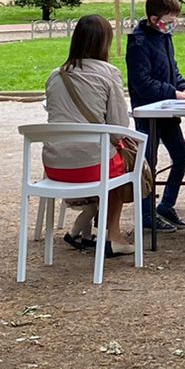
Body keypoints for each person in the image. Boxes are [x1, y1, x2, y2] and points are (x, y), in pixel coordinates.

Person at [42, 14, 137, 256]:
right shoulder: (108, 73)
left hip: (55, 167)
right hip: (92, 166)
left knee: (100, 157)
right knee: (124, 162)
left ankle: (83, 223)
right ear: (104, 42)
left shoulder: (55, 75)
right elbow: (119, 125)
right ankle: (112, 236)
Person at [125, 0, 185, 232]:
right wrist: (174, 92)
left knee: (181, 157)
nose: (173, 25)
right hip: (148, 112)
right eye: (169, 21)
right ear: (155, 20)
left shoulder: (164, 37)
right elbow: (142, 83)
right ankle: (146, 215)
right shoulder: (138, 43)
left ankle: (166, 205)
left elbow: (173, 69)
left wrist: (183, 87)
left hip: (167, 111)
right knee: (148, 165)